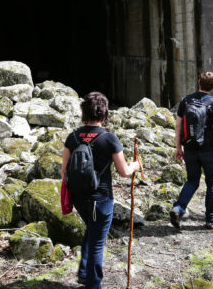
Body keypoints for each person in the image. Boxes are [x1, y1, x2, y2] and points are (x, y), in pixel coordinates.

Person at [61, 92, 140, 289]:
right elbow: (124, 172)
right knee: (97, 241)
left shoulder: (72, 137)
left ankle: (83, 273)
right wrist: (135, 166)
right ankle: (93, 284)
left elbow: (64, 172)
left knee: (92, 230)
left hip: (79, 198)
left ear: (83, 113)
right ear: (104, 114)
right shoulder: (110, 139)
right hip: (101, 199)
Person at [170, 71, 213, 229]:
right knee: (212, 183)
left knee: (192, 180)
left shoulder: (186, 101)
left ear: (198, 82)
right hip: (208, 150)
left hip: (190, 148)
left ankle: (179, 208)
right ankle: (211, 220)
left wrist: (178, 147)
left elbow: (178, 126)